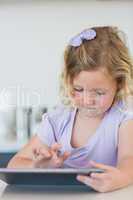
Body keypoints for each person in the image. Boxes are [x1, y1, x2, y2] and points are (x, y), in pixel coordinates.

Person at [7, 26, 133, 192]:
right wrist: (38, 167)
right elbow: (14, 165)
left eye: (99, 92)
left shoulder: (123, 117)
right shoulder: (57, 120)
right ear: (68, 81)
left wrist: (120, 178)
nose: (87, 100)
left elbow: (128, 160)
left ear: (119, 84)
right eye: (79, 90)